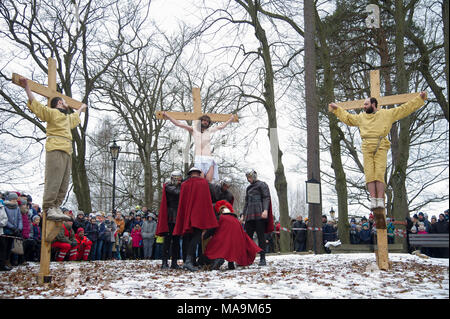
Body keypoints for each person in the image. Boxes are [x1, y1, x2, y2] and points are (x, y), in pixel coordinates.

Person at [328, 91, 427, 210]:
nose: (364, 106)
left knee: (379, 173)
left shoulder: (386, 114)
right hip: (367, 146)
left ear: (373, 104)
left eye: (366, 104)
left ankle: (380, 199)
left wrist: (419, 99)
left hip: (380, 145)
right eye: (364, 104)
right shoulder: (361, 117)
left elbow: (404, 109)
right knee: (369, 174)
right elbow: (348, 118)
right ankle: (373, 199)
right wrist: (337, 109)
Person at [19, 77, 88, 221]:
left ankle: (56, 206)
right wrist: (27, 88)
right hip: (55, 147)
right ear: (59, 103)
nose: (65, 102)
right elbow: (37, 106)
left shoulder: (67, 118)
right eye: (62, 101)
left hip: (67, 150)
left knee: (64, 181)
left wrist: (81, 108)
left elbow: (76, 116)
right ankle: (49, 206)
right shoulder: (52, 113)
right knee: (54, 179)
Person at [162, 112, 237, 182]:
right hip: (199, 159)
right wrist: (168, 116)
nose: (205, 122)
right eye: (204, 120)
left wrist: (230, 119)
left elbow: (221, 126)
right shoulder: (194, 130)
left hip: (209, 159)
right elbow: (179, 124)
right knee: (201, 182)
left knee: (209, 183)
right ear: (200, 121)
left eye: (207, 121)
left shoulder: (209, 131)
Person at [173, 167, 219, 271]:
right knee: (196, 237)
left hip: (188, 215)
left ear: (190, 174)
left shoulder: (185, 184)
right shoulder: (203, 183)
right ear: (198, 173)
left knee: (189, 238)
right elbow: (209, 198)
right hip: (198, 216)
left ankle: (190, 261)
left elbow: (183, 203)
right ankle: (189, 262)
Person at [203, 200, 262, 270]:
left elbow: (213, 229)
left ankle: (218, 258)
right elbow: (242, 233)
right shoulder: (236, 220)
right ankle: (230, 263)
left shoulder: (221, 218)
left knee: (213, 245)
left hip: (224, 240)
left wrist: (205, 236)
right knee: (231, 246)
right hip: (237, 242)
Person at [242, 169, 274, 266]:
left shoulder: (262, 185)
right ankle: (248, 258)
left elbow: (266, 197)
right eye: (248, 177)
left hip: (260, 213)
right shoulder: (248, 188)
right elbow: (246, 202)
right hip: (249, 215)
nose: (249, 179)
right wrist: (243, 214)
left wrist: (265, 210)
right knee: (248, 238)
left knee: (261, 237)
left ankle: (262, 258)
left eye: (250, 177)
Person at [156, 170, 182, 269]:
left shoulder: (181, 186)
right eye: (175, 178)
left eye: (178, 178)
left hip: (178, 215)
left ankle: (174, 262)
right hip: (170, 215)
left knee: (176, 241)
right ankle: (164, 262)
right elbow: (177, 192)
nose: (177, 180)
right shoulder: (168, 186)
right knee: (167, 240)